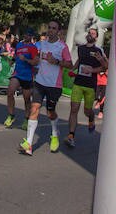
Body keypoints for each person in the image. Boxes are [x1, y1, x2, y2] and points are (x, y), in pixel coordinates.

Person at [18, 21, 72, 155]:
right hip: (40, 82)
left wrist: (57, 61)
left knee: (50, 113)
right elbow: (36, 59)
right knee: (34, 107)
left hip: (54, 85)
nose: (51, 30)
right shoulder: (41, 44)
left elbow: (70, 64)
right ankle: (28, 144)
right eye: (49, 28)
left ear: (58, 31)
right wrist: (32, 60)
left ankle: (54, 134)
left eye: (54, 28)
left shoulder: (62, 47)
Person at [65, 28, 108, 148]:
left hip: (90, 86)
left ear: (96, 38)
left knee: (87, 111)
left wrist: (93, 69)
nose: (90, 34)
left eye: (93, 33)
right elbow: (80, 60)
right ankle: (71, 135)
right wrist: (73, 68)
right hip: (78, 83)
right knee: (74, 109)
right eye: (89, 33)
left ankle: (91, 118)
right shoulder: (81, 48)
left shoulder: (98, 51)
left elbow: (105, 67)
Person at [4, 28, 39, 131]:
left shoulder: (33, 48)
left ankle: (27, 119)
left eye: (28, 35)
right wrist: (13, 60)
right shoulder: (19, 45)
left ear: (31, 36)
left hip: (27, 75)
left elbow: (35, 62)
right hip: (17, 73)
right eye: (25, 34)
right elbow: (16, 54)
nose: (26, 36)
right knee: (10, 91)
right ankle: (11, 115)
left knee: (27, 99)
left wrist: (26, 60)